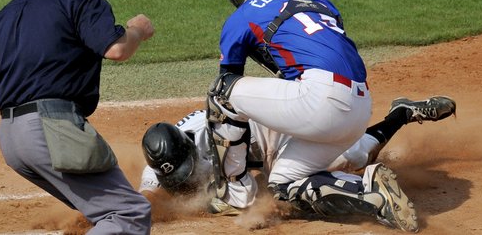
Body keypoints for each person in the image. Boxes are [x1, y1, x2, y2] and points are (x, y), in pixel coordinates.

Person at [201, 0, 446, 232]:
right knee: (282, 185)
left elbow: (230, 79)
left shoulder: (244, 14)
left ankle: (234, 196)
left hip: (321, 102)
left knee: (221, 93)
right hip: (359, 105)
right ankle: (370, 193)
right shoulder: (318, 0)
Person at [0, 0, 152, 234]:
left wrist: (22, 118)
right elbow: (117, 49)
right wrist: (137, 29)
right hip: (53, 132)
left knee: (98, 208)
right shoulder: (81, 2)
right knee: (129, 212)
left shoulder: (0, 18)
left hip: (12, 138)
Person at [140, 96, 456, 231]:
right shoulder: (157, 166)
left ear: (191, 149)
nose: (182, 182)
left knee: (353, 158)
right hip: (257, 154)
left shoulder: (212, 139)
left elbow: (247, 184)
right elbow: (147, 199)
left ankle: (399, 114)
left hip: (276, 136)